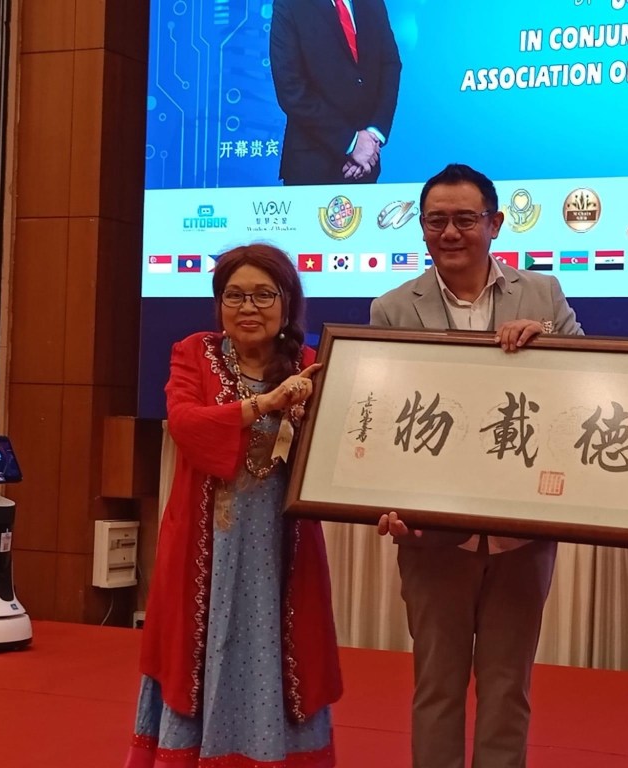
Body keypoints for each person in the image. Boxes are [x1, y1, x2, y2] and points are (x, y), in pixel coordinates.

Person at [370, 163, 583, 768]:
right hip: (431, 534)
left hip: (522, 533)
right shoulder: (392, 308)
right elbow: (380, 417)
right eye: (436, 220)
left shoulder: (542, 295)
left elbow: (582, 388)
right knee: (436, 687)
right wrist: (383, 501)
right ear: (421, 227)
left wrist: (548, 344)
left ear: (495, 223)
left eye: (466, 219)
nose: (450, 232)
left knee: (508, 688)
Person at [124, 244, 343, 768]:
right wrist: (265, 404)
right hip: (207, 544)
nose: (248, 307)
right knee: (198, 648)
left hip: (281, 546)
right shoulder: (194, 354)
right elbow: (186, 425)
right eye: (234, 295)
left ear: (287, 302)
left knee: (282, 647)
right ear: (218, 303)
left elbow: (341, 448)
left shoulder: (312, 366)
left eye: (264, 295)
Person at [270, 0, 402, 185]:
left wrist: (373, 135)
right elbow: (291, 89)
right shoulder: (291, 5)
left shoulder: (372, 3)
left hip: (364, 165)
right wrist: (351, 142)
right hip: (311, 167)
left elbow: (390, 65)